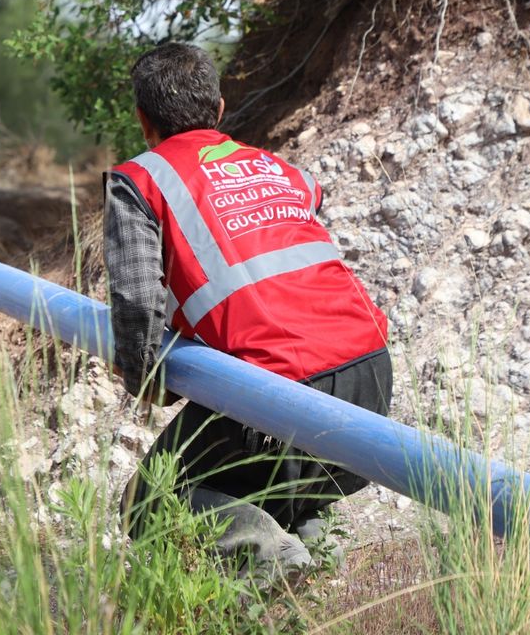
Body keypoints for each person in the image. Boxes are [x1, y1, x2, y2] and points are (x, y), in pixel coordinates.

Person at [105, 42, 393, 573]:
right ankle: (321, 570)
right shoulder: (279, 170)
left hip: (278, 390)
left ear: (143, 120)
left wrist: (147, 378)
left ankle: (274, 561)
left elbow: (134, 302)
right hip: (371, 377)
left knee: (147, 501)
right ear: (219, 108)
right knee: (270, 478)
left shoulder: (142, 179)